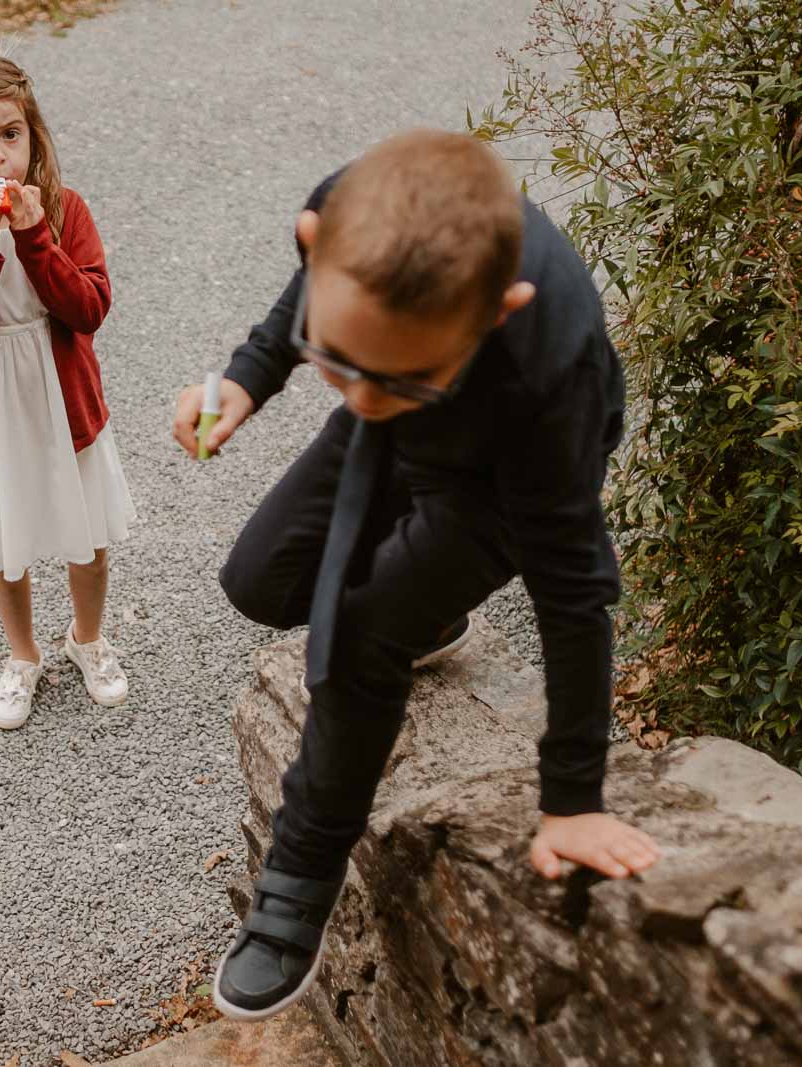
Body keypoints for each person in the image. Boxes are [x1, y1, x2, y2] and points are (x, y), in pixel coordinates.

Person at [172, 130, 662, 1020]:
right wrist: (248, 379)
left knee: (358, 633)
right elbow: (333, 326)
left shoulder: (549, 386)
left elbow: (576, 595)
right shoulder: (357, 236)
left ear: (500, 309)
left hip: (495, 479)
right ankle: (429, 611)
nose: (353, 396)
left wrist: (574, 795)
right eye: (338, 365)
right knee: (260, 581)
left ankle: (299, 879)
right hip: (414, 407)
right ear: (315, 234)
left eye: (384, 375)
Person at [0, 57, 135, 731]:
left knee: (87, 532)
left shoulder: (67, 212)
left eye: (10, 133)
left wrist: (35, 236)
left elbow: (89, 308)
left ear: (33, 136)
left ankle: (87, 638)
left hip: (64, 400)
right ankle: (22, 653)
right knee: (5, 541)